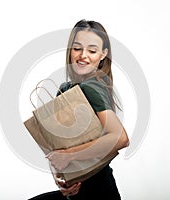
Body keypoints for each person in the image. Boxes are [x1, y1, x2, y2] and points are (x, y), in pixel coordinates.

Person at [29, 19, 129, 200]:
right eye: (77, 48)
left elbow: (120, 138)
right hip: (78, 191)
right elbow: (60, 147)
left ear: (102, 55)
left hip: (98, 192)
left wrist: (69, 155)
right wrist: (62, 181)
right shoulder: (66, 88)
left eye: (92, 50)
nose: (83, 55)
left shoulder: (92, 87)